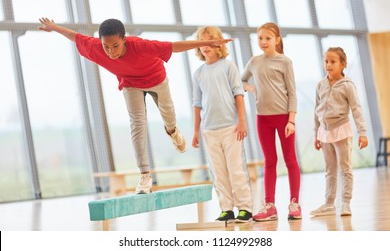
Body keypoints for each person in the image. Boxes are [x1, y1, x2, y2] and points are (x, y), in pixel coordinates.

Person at [38, 17, 233, 194]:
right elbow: (75, 37)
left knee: (168, 114)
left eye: (115, 46)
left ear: (124, 39)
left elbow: (174, 46)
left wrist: (206, 42)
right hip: (130, 84)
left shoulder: (139, 45)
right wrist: (54, 27)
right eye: (106, 47)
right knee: (137, 123)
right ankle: (145, 175)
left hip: (156, 78)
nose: (111, 51)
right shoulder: (96, 48)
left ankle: (172, 131)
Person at [192, 26, 253, 223]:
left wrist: (242, 121)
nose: (205, 46)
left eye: (210, 42)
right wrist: (195, 131)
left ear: (219, 44)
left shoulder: (229, 66)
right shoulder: (198, 73)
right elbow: (197, 103)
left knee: (236, 169)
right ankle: (226, 209)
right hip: (209, 130)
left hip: (231, 127)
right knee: (218, 172)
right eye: (202, 42)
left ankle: (245, 208)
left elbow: (239, 93)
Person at [241, 22, 301, 221]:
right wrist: (251, 88)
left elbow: (292, 93)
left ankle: (294, 203)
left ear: (277, 40)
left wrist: (291, 121)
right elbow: (241, 81)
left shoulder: (285, 62)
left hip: (284, 118)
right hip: (262, 119)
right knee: (269, 162)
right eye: (260, 38)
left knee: (290, 159)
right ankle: (270, 206)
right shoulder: (254, 62)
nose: (264, 42)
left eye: (268, 38)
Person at [311, 47, 368, 217]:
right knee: (330, 169)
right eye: (326, 61)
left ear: (343, 64)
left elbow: (356, 109)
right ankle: (329, 203)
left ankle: (346, 202)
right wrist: (316, 134)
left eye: (333, 61)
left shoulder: (348, 86)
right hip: (324, 132)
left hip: (341, 130)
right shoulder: (320, 85)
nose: (328, 65)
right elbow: (316, 110)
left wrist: (362, 132)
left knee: (345, 168)